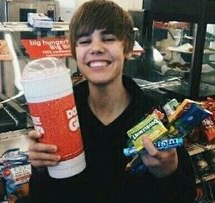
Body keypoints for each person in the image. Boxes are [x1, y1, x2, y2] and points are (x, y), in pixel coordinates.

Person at [28, 0, 196, 202]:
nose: (96, 48)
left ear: (127, 48)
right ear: (74, 52)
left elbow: (185, 196)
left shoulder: (155, 115)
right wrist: (40, 170)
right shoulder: (60, 116)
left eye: (108, 39)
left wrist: (169, 172)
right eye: (84, 41)